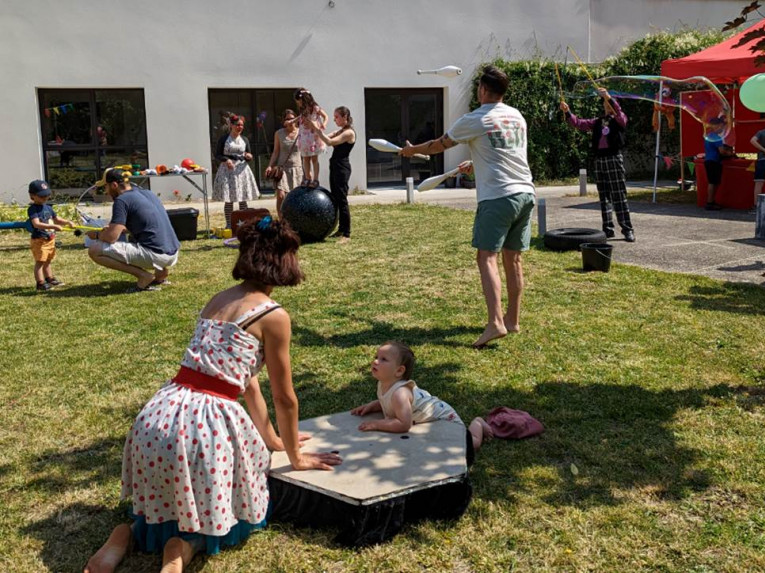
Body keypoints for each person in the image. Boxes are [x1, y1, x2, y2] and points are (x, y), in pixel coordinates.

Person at [83, 215, 342, 573]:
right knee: (233, 496)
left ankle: (126, 533)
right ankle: (187, 546)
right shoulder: (273, 315)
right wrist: (295, 457)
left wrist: (273, 438)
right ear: (285, 260)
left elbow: (247, 380)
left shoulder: (218, 299)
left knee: (173, 494)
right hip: (202, 424)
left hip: (159, 413)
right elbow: (285, 397)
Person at [400, 65, 536, 348]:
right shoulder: (517, 116)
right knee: (513, 259)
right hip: (525, 193)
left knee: (486, 257)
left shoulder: (475, 118)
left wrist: (412, 150)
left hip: (498, 197)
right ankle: (512, 320)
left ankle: (495, 323)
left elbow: (438, 145)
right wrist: (476, 164)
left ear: (483, 90)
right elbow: (507, 153)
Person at [350, 341, 492, 458]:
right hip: (432, 419)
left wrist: (377, 424)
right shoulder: (383, 384)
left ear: (399, 371)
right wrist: (372, 406)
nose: (375, 361)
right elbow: (389, 404)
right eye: (376, 356)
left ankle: (478, 424)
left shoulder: (400, 393)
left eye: (383, 359)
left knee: (470, 444)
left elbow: (404, 424)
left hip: (445, 419)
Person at [560, 88, 635, 242]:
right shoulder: (597, 122)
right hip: (600, 160)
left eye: (610, 104)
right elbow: (579, 123)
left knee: (618, 195)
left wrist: (609, 97)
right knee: (604, 196)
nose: (608, 106)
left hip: (614, 158)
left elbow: (620, 114)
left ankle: (627, 229)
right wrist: (567, 112)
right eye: (606, 104)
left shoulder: (620, 119)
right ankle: (608, 229)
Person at [87, 168, 180, 292]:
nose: (106, 191)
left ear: (114, 185)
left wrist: (97, 235)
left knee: (95, 249)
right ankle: (161, 273)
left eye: (106, 187)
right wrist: (115, 229)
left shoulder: (121, 200)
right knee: (151, 239)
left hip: (156, 255)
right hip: (173, 254)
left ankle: (143, 276)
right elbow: (145, 224)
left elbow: (111, 238)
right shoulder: (147, 193)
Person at [307, 105, 356, 243]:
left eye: (337, 117)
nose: (334, 120)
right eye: (333, 117)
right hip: (334, 166)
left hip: (342, 168)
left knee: (342, 199)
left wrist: (316, 128)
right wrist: (311, 130)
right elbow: (323, 137)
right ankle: (340, 229)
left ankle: (346, 234)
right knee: (335, 198)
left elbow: (329, 142)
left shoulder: (349, 133)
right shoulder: (340, 131)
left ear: (345, 117)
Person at [213, 114, 260, 229]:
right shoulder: (224, 139)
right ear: (231, 125)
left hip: (241, 171)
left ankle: (244, 223)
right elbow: (217, 155)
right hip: (227, 170)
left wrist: (249, 156)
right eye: (237, 125)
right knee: (229, 199)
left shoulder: (244, 140)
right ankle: (229, 224)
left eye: (242, 125)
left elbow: (248, 154)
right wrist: (226, 160)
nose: (240, 127)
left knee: (242, 198)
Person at [26, 179, 75, 292]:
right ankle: (40, 283)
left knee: (47, 261)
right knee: (40, 262)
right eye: (42, 196)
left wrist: (67, 222)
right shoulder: (32, 209)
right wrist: (53, 227)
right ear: (32, 196)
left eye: (47, 195)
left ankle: (49, 278)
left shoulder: (48, 207)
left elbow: (57, 219)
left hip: (49, 239)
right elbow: (36, 224)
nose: (45, 198)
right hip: (39, 240)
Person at [264, 109, 302, 215]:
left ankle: (293, 220)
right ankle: (281, 221)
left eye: (292, 118)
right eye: (287, 119)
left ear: (296, 119)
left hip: (297, 169)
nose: (290, 121)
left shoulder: (302, 132)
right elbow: (276, 152)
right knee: (281, 196)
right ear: (283, 121)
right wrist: (270, 166)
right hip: (282, 169)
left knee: (295, 197)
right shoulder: (279, 133)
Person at [292, 88, 328, 188]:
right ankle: (308, 178)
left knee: (314, 158)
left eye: (298, 101)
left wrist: (323, 124)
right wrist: (293, 121)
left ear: (304, 99)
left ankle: (316, 179)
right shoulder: (302, 109)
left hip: (313, 135)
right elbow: (300, 117)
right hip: (304, 135)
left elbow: (326, 116)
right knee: (305, 158)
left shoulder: (315, 108)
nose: (298, 103)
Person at [703, 118, 731, 211]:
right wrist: (729, 154)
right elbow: (722, 151)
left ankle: (712, 201)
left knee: (714, 182)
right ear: (717, 126)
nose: (723, 129)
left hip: (709, 160)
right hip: (713, 161)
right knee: (713, 182)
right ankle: (709, 202)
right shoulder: (717, 137)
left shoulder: (709, 136)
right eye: (722, 127)